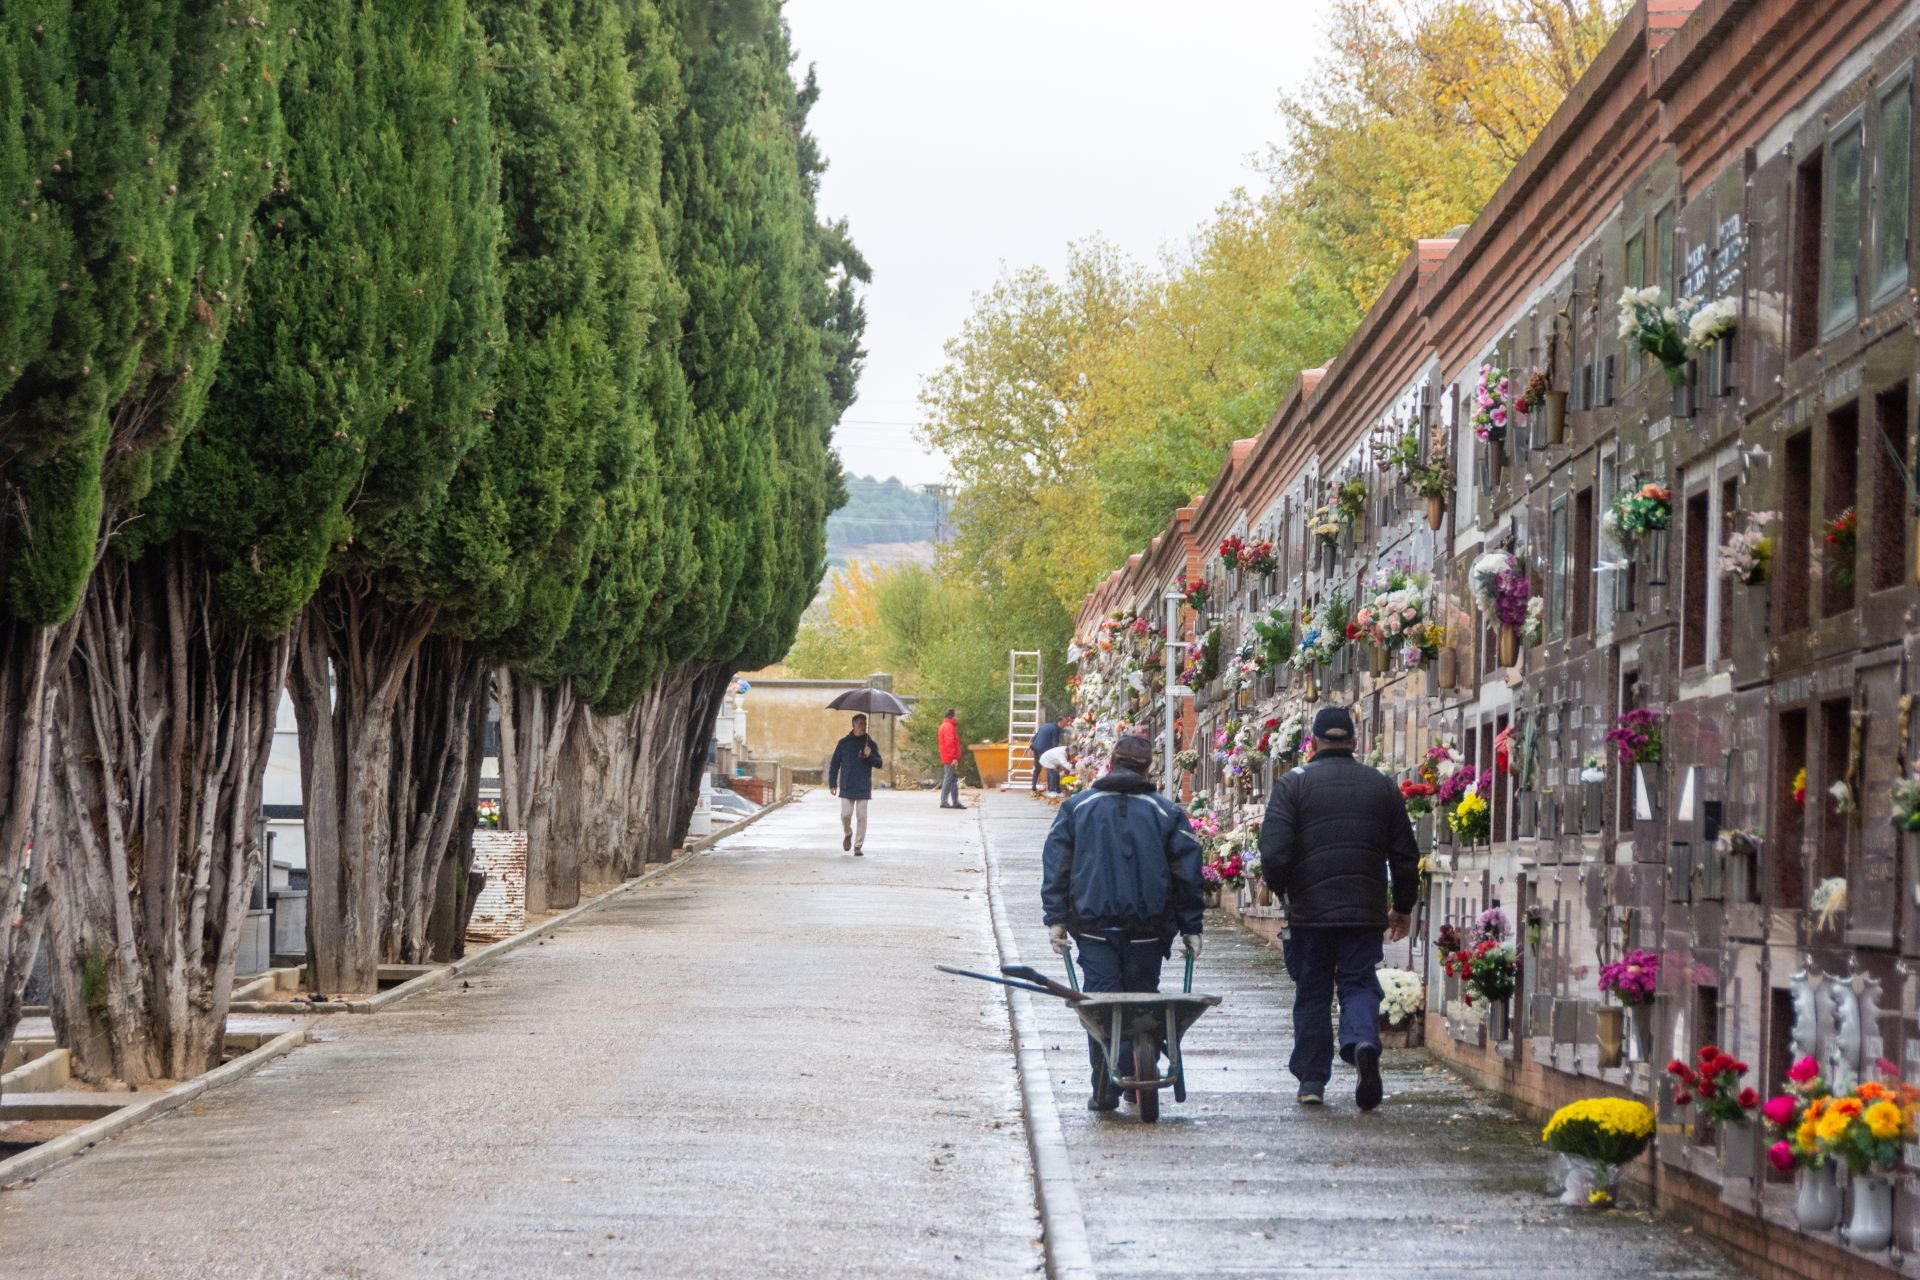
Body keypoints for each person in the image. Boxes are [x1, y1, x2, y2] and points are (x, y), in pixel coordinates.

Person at [1257, 706, 1418, 1111]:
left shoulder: (1291, 785)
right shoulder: (1381, 785)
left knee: (1312, 990)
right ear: (1354, 742)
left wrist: (1283, 893)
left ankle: (1312, 1081)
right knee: (1359, 981)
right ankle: (1362, 1040)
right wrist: (1402, 906)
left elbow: (1274, 852)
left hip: (1309, 912)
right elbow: (1404, 854)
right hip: (1364, 910)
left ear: (1312, 742)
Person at [1041, 734, 1205, 1112]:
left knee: (1101, 1004)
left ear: (1110, 764)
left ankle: (1106, 1086)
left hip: (1094, 928)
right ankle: (1136, 1071)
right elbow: (1187, 874)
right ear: (1148, 769)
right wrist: (1191, 925)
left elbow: (1057, 867)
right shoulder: (1167, 814)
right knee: (1142, 999)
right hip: (1149, 929)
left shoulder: (1077, 809)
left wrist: (1056, 918)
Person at [827, 714, 884, 856]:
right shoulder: (843, 743)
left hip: (863, 785)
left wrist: (869, 755)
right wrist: (832, 783)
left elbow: (879, 763)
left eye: (865, 723)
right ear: (853, 725)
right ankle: (848, 833)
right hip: (847, 784)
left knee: (862, 816)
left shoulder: (870, 744)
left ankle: (858, 845)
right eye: (860, 723)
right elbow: (835, 764)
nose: (863, 726)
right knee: (845, 814)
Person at [1029, 714, 1071, 794]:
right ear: (1060, 722)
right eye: (1064, 723)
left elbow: (1035, 737)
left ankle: (1033, 787)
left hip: (1036, 748)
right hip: (1043, 750)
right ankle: (1051, 790)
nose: (1064, 725)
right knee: (1051, 769)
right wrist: (1058, 754)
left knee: (1037, 769)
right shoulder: (1056, 729)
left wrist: (1031, 748)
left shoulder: (1045, 725)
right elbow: (1054, 744)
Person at [937, 709, 964, 809]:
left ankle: (955, 801)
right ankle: (944, 801)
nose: (958, 717)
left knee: (952, 778)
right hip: (949, 757)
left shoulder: (947, 725)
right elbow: (950, 743)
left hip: (948, 756)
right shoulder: (948, 726)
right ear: (952, 716)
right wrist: (953, 758)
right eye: (957, 715)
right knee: (949, 778)